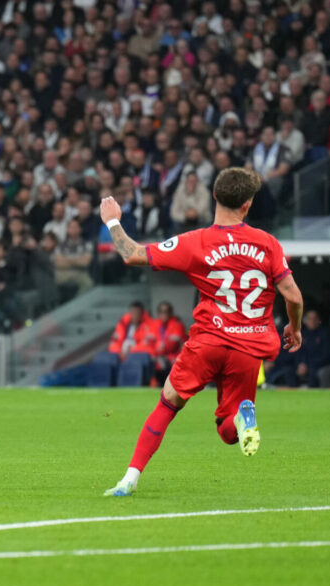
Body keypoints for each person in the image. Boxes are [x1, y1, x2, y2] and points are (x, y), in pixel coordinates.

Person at [100, 167, 304, 497]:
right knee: (228, 431)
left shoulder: (196, 242)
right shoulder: (267, 244)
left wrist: (112, 220)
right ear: (248, 204)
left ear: (214, 196)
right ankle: (243, 416)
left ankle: (129, 480)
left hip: (208, 341)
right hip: (249, 348)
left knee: (168, 403)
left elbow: (131, 253)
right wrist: (293, 329)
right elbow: (293, 295)